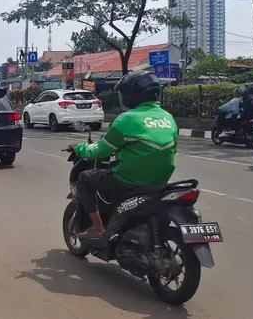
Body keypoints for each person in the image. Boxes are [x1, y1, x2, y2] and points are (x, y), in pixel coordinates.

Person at [68, 72, 178, 239]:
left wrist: (79, 147)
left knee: (85, 178)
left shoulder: (127, 119)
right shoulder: (168, 117)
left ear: (132, 95)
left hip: (128, 181)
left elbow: (98, 151)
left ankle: (97, 227)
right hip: (160, 182)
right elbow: (172, 151)